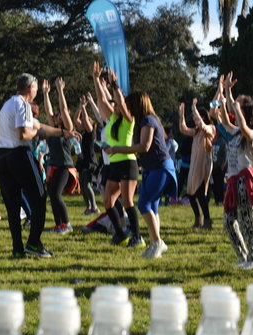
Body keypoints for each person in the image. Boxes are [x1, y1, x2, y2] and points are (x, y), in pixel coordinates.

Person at [0, 73, 78, 258]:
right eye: (35, 88)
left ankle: (17, 249)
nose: (36, 91)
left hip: (2, 158)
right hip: (19, 155)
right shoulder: (23, 105)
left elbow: (39, 126)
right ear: (29, 89)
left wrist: (63, 132)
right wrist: (35, 133)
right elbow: (24, 134)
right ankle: (34, 242)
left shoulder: (8, 105)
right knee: (40, 199)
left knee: (13, 206)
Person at [105, 90, 177, 258]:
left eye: (129, 104)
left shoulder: (148, 120)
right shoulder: (143, 121)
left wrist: (117, 149)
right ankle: (155, 243)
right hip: (153, 168)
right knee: (153, 206)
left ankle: (157, 242)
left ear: (137, 105)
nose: (126, 107)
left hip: (161, 167)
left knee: (144, 203)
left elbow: (144, 146)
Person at [219, 72, 253, 269]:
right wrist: (226, 92)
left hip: (246, 181)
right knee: (229, 222)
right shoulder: (237, 132)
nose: (236, 116)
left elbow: (243, 126)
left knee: (247, 224)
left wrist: (236, 107)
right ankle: (243, 255)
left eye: (240, 113)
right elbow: (225, 121)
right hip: (233, 181)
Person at [92, 64, 142, 247]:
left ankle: (138, 236)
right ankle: (121, 234)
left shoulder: (130, 120)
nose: (115, 103)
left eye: (120, 103)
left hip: (128, 164)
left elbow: (120, 101)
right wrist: (97, 79)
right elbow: (101, 99)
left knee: (128, 201)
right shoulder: (113, 118)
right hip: (114, 164)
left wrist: (114, 83)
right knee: (108, 201)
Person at [41, 77, 79, 234]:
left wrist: (60, 90)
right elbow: (48, 111)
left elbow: (63, 109)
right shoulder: (53, 129)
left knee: (56, 194)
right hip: (54, 166)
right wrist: (45, 94)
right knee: (52, 195)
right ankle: (58, 225)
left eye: (58, 115)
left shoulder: (68, 130)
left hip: (65, 167)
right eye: (55, 115)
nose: (56, 115)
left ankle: (67, 224)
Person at [179, 98, 215, 229]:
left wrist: (194, 107)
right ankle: (198, 219)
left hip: (203, 163)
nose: (194, 120)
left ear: (203, 116)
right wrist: (181, 114)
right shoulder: (196, 131)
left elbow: (203, 126)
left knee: (200, 193)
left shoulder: (210, 128)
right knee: (190, 193)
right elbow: (183, 129)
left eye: (196, 117)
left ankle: (207, 220)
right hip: (195, 164)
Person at [74, 95, 100, 216]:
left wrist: (84, 107)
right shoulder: (83, 132)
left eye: (88, 120)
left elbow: (84, 119)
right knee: (83, 186)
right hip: (83, 161)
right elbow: (76, 119)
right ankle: (88, 207)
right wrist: (80, 107)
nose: (85, 120)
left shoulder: (91, 133)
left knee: (87, 184)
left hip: (90, 161)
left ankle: (94, 206)